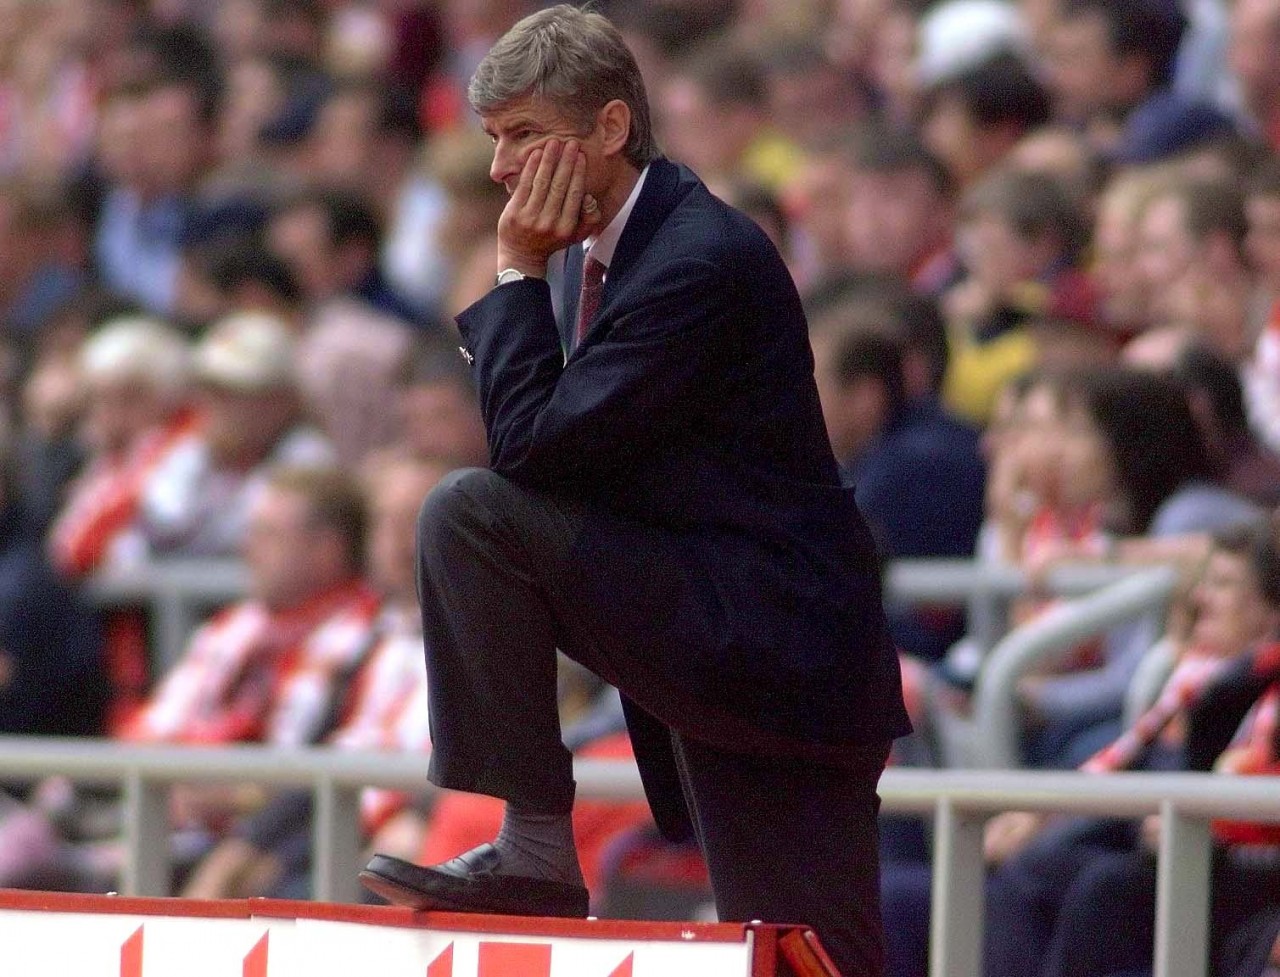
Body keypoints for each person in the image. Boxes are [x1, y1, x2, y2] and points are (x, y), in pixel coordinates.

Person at [358, 7, 910, 976]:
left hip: (774, 643)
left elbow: (530, 451)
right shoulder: (598, 247)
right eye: (494, 141)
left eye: (523, 136)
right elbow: (556, 453)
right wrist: (534, 272)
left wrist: (514, 272)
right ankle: (531, 845)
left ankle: (533, 850)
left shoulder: (697, 257)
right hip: (713, 626)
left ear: (608, 128)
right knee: (784, 951)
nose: (499, 173)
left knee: (814, 956)